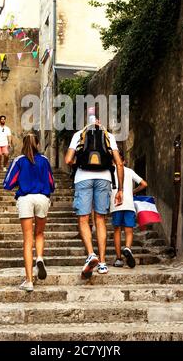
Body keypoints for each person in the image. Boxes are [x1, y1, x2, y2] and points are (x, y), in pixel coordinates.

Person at [65, 116, 124, 279]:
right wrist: (120, 189)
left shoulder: (79, 134)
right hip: (104, 178)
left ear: (87, 123)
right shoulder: (108, 136)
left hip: (83, 178)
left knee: (84, 219)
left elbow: (68, 159)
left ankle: (91, 254)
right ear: (99, 123)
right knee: (100, 220)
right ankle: (103, 263)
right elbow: (119, 163)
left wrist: (78, 163)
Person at [3, 132, 55, 292]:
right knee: (39, 233)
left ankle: (29, 280)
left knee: (27, 239)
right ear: (38, 144)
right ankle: (39, 258)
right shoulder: (45, 161)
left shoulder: (19, 161)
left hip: (25, 199)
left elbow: (8, 183)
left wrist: (21, 181)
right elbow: (52, 184)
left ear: (23, 144)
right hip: (42, 198)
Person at [111, 151, 148, 268]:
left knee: (117, 230)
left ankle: (118, 259)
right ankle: (127, 248)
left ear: (112, 161)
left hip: (116, 204)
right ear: (124, 161)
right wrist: (132, 192)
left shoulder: (109, 172)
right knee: (129, 230)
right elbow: (144, 184)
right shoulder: (129, 171)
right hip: (129, 204)